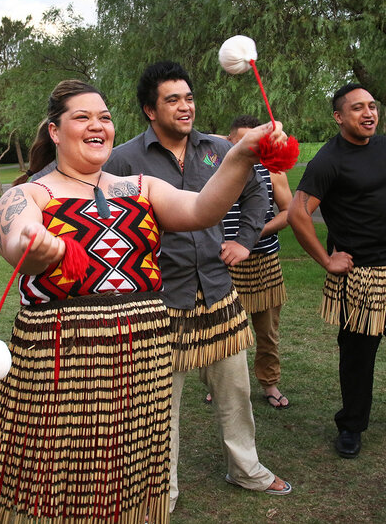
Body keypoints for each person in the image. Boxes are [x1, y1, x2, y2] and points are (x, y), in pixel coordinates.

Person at [0, 79, 287, 524]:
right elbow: (16, 244)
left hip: (140, 357)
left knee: (129, 470)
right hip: (62, 363)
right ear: (54, 131)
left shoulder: (139, 187)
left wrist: (240, 155)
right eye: (82, 117)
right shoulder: (30, 194)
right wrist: (35, 247)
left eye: (104, 117)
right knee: (65, 476)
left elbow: (203, 209)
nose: (97, 125)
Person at [104, 62, 292, 513]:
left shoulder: (220, 150)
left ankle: (246, 469)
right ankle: (161, 491)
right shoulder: (123, 160)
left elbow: (256, 192)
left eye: (188, 97)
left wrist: (245, 240)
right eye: (172, 99)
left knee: (235, 393)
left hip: (218, 291)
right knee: (159, 406)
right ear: (150, 110)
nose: (185, 106)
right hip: (161, 301)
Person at [287, 83, 386, 459]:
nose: (369, 113)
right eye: (358, 108)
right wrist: (326, 260)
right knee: (358, 358)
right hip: (360, 278)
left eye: (372, 106)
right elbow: (298, 213)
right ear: (339, 117)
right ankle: (351, 426)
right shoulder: (328, 160)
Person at [222, 115, 293, 409]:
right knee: (224, 331)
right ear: (229, 141)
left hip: (264, 260)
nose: (249, 147)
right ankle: (223, 386)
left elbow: (288, 212)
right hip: (225, 263)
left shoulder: (272, 169)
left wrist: (252, 234)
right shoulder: (216, 168)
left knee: (267, 332)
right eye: (241, 141)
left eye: (255, 141)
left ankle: (270, 382)